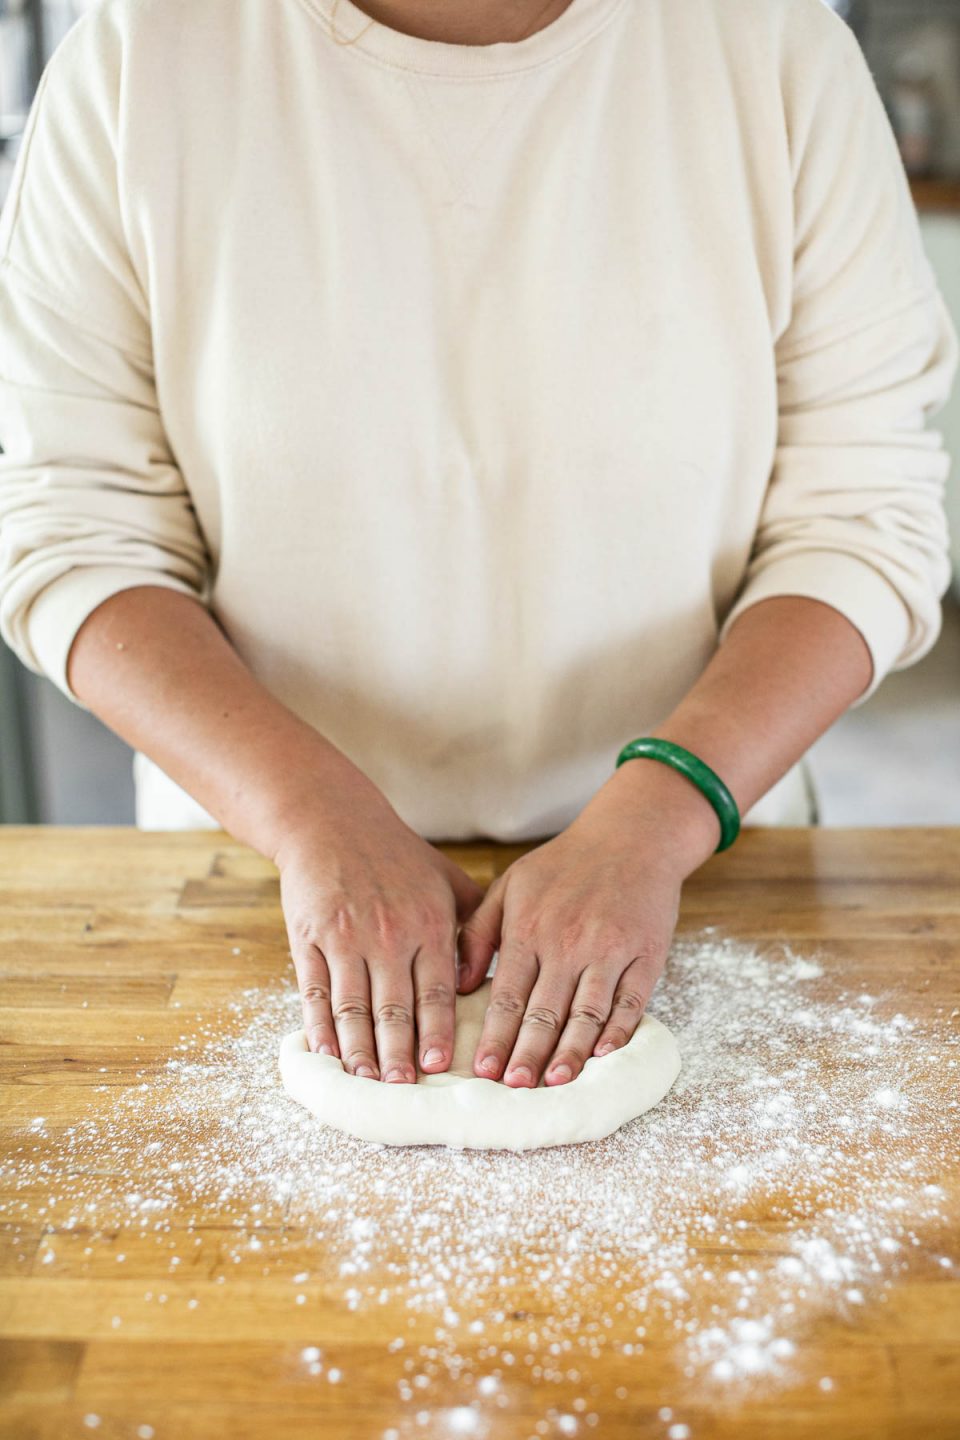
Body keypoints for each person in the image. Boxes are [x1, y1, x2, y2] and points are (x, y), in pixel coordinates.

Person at [0, 0, 956, 1095]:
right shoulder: (141, 56)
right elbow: (77, 529)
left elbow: (861, 518)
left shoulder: (773, 49)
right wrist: (314, 815)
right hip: (250, 866)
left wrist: (651, 821)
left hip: (703, 858)